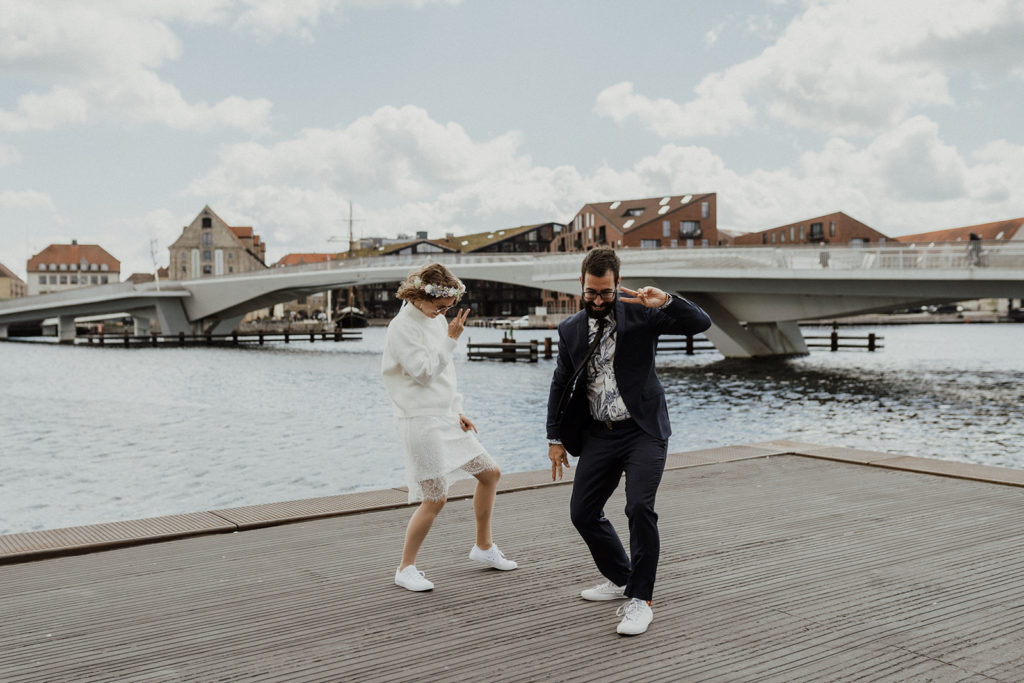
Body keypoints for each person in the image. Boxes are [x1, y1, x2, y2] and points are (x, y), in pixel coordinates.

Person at [546, 247, 711, 635]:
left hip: (643, 430)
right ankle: (622, 578)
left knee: (639, 507)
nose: (598, 300)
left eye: (605, 292)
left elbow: (699, 323)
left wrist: (666, 301)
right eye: (591, 293)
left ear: (618, 284)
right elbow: (559, 383)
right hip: (599, 435)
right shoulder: (569, 329)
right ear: (581, 287)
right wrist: (554, 437)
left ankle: (641, 599)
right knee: (583, 513)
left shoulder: (641, 315)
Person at [382, 263, 518, 592]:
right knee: (435, 498)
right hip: (419, 421)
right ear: (418, 296)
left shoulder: (437, 319)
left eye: (447, 307)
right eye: (439, 306)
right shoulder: (401, 327)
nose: (443, 312)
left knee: (490, 473)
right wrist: (451, 341)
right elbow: (423, 373)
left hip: (444, 416)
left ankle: (483, 548)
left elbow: (446, 375)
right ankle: (405, 567)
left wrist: (457, 409)